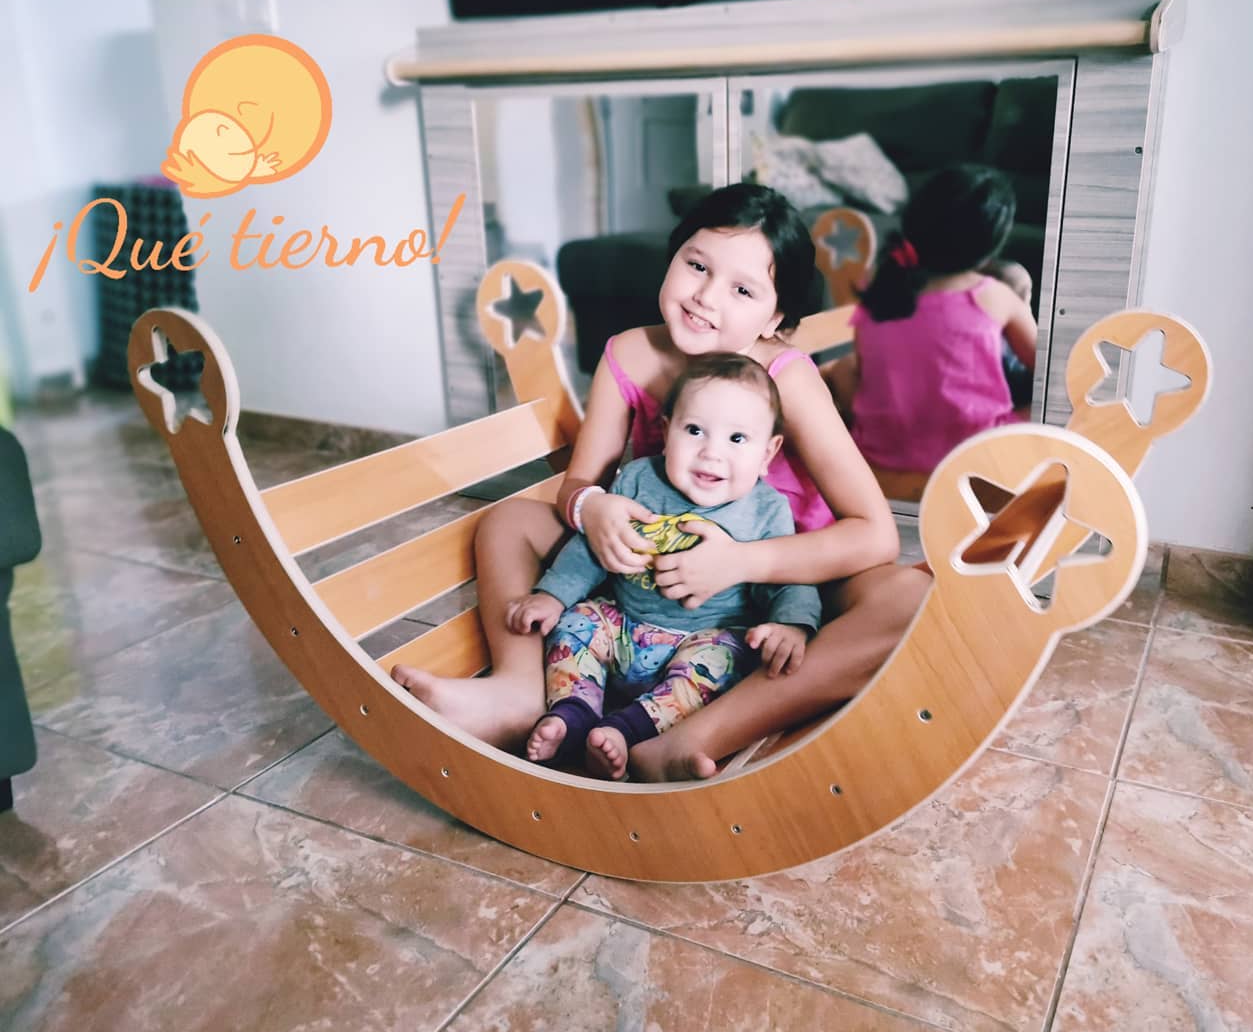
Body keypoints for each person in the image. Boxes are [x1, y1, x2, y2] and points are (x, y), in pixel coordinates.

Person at [392, 183, 929, 781]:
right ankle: (517, 691)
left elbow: (876, 534)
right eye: (697, 265)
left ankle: (694, 736)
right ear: (673, 257)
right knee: (509, 521)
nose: (706, 296)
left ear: (775, 317)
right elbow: (581, 482)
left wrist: (740, 563)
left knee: (910, 601)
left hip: (783, 585)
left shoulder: (786, 378)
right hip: (651, 581)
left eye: (743, 290)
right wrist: (592, 508)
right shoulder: (629, 354)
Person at [511, 354, 821, 780]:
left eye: (737, 438)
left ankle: (627, 731)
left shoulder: (766, 510)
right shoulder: (638, 480)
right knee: (578, 622)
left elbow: (787, 576)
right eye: (694, 430)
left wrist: (791, 624)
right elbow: (592, 549)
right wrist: (552, 595)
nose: (712, 453)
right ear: (665, 431)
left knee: (725, 660)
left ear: (768, 452)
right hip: (623, 626)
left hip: (702, 638)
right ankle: (573, 714)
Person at [825, 166, 1040, 471]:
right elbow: (1049, 372)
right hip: (974, 456)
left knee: (844, 366)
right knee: (1052, 401)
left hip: (882, 455)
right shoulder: (994, 296)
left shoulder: (880, 288)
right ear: (992, 244)